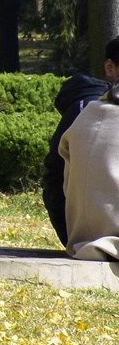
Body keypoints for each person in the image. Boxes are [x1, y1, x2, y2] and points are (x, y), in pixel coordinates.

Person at [43, 38, 119, 260]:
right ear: (109, 67)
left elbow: (56, 179)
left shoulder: (87, 112)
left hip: (79, 238)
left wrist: (71, 238)